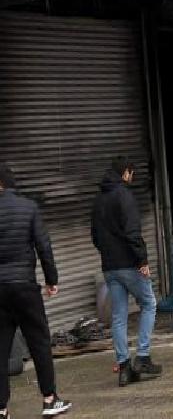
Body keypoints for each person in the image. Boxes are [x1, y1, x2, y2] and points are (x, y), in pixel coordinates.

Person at [0, 163, 71, 416]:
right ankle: (50, 400)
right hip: (25, 287)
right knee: (39, 342)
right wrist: (52, 280)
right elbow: (44, 247)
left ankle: (1, 409)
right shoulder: (29, 208)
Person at [91, 157, 161, 388]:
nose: (132, 178)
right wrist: (141, 259)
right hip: (129, 264)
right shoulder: (124, 195)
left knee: (119, 317)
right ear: (125, 174)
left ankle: (124, 368)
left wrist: (109, 255)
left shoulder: (99, 200)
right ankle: (142, 357)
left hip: (109, 267)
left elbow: (95, 237)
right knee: (149, 304)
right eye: (132, 174)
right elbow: (132, 231)